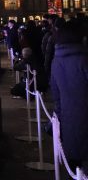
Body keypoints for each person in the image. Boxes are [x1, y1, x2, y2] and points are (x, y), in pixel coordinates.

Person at [50, 21, 88, 173]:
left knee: (76, 165)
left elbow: (55, 93)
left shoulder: (56, 60)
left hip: (69, 118)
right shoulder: (83, 59)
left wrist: (59, 115)